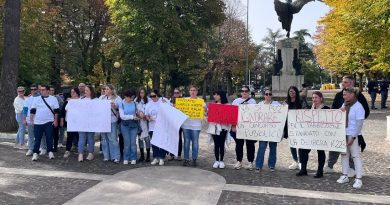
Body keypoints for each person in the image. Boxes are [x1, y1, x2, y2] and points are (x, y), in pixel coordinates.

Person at [325, 75, 370, 175]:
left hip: (352, 129)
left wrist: (355, 120)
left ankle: (352, 169)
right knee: (336, 147)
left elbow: (365, 111)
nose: (342, 83)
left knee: (352, 151)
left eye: (345, 82)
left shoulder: (359, 96)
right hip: (339, 127)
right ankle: (329, 165)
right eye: (342, 82)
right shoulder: (338, 95)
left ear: (351, 83)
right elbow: (335, 108)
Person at [336, 87, 365, 189]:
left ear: (352, 94)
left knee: (355, 156)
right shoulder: (345, 104)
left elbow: (359, 124)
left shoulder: (358, 106)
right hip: (343, 133)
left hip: (352, 134)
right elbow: (339, 116)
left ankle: (358, 179)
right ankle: (345, 175)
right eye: (343, 95)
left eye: (345, 95)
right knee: (344, 155)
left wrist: (353, 137)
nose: (343, 96)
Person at [296, 91, 329, 178]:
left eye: (316, 97)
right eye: (313, 98)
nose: (314, 99)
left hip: (321, 135)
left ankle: (320, 171)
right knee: (303, 150)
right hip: (310, 135)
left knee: (320, 151)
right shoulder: (309, 108)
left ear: (321, 98)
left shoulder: (327, 109)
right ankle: (303, 169)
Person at [30, 85, 59, 161]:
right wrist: (31, 120)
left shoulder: (54, 99)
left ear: (48, 91)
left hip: (49, 122)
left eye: (43, 90)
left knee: (49, 138)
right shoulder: (36, 99)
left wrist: (55, 120)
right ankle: (35, 153)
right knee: (37, 139)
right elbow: (32, 110)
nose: (41, 91)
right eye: (41, 90)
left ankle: (50, 152)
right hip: (38, 122)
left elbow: (56, 111)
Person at [231, 85, 257, 170]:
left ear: (249, 92)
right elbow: (232, 114)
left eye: (246, 91)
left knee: (250, 145)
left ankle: (250, 162)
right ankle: (239, 161)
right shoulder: (236, 101)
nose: (244, 92)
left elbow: (256, 114)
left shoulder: (253, 101)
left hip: (249, 127)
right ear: (241, 92)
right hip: (239, 126)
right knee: (239, 145)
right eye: (243, 91)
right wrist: (233, 125)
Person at [255, 88, 280, 172]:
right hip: (263, 130)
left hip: (273, 130)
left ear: (272, 95)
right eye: (266, 94)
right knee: (262, 147)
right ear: (264, 95)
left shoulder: (276, 104)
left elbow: (281, 113)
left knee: (273, 147)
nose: (268, 95)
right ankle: (258, 165)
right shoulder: (260, 104)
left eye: (270, 94)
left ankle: (271, 165)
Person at [181, 86, 206, 167]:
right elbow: (179, 110)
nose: (192, 92)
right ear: (189, 91)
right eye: (191, 90)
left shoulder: (201, 101)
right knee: (186, 142)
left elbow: (205, 113)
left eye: (194, 90)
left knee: (195, 142)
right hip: (186, 125)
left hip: (196, 125)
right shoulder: (184, 100)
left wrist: (205, 109)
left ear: (197, 91)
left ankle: (194, 159)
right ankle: (186, 159)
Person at [145, 90, 169, 166]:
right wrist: (148, 118)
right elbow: (146, 114)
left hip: (162, 126)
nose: (153, 98)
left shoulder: (163, 100)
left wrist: (166, 104)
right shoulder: (149, 103)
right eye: (151, 96)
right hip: (152, 126)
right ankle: (155, 157)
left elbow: (170, 110)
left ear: (158, 95)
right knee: (154, 142)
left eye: (154, 96)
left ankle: (162, 157)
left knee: (161, 142)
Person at [208, 90, 229, 169]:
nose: (215, 96)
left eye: (217, 94)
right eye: (214, 94)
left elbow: (229, 117)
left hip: (223, 128)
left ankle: (222, 161)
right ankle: (216, 160)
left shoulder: (227, 105)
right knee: (216, 145)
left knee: (221, 144)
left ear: (221, 96)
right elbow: (209, 117)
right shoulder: (213, 105)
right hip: (215, 128)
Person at [75, 85, 96, 162]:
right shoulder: (81, 99)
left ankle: (91, 153)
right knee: (81, 138)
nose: (85, 92)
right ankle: (80, 154)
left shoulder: (95, 100)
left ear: (91, 91)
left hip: (91, 122)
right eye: (85, 90)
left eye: (87, 90)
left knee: (90, 138)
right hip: (82, 122)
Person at [101, 84, 121, 163]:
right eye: (105, 89)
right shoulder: (102, 98)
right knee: (104, 139)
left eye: (107, 89)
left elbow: (120, 108)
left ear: (112, 90)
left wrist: (115, 106)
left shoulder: (117, 98)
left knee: (113, 139)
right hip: (103, 121)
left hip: (112, 120)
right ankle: (106, 156)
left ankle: (116, 156)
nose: (105, 90)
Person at [119, 89, 139, 165]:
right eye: (130, 97)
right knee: (127, 143)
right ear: (125, 97)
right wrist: (132, 117)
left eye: (132, 97)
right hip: (125, 125)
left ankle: (133, 157)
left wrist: (139, 114)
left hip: (134, 125)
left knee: (133, 143)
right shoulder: (122, 104)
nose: (131, 99)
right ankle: (126, 158)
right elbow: (122, 116)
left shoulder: (134, 103)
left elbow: (137, 112)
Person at [285, 86, 302, 170]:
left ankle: (301, 161)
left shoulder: (301, 102)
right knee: (292, 145)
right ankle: (295, 161)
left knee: (300, 144)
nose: (292, 93)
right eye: (291, 92)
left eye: (294, 92)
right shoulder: (286, 103)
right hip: (289, 127)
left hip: (299, 127)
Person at [61, 87, 80, 158]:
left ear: (77, 93)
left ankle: (79, 150)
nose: (72, 94)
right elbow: (63, 111)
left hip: (78, 122)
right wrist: (62, 120)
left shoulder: (81, 100)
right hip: (70, 121)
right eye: (71, 92)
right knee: (70, 136)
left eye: (73, 92)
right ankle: (67, 150)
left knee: (78, 136)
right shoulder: (68, 101)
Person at [134, 87, 151, 162]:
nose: (142, 94)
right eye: (140, 92)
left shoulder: (149, 100)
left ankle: (148, 156)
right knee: (140, 139)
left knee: (147, 139)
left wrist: (146, 115)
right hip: (139, 122)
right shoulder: (136, 100)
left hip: (146, 122)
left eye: (143, 92)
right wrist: (138, 114)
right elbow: (134, 110)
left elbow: (151, 109)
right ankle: (142, 156)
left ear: (145, 93)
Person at [24, 84, 41, 156]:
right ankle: (30, 149)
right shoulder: (28, 99)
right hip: (29, 120)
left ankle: (42, 148)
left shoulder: (41, 98)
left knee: (40, 136)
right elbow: (25, 110)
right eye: (32, 89)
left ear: (37, 90)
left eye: (35, 89)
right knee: (31, 135)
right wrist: (24, 119)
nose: (33, 91)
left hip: (39, 120)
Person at [168, 88, 183, 161]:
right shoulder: (170, 100)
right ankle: (171, 154)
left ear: (180, 93)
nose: (176, 94)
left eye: (177, 93)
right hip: (172, 122)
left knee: (179, 138)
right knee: (172, 138)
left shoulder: (183, 101)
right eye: (175, 93)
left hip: (180, 122)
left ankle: (179, 155)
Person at [50, 87, 64, 151]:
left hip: (56, 118)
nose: (51, 91)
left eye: (52, 90)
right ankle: (49, 146)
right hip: (48, 118)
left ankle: (55, 147)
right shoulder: (44, 98)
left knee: (55, 133)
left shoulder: (57, 98)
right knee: (49, 133)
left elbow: (61, 108)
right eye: (50, 90)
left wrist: (60, 118)